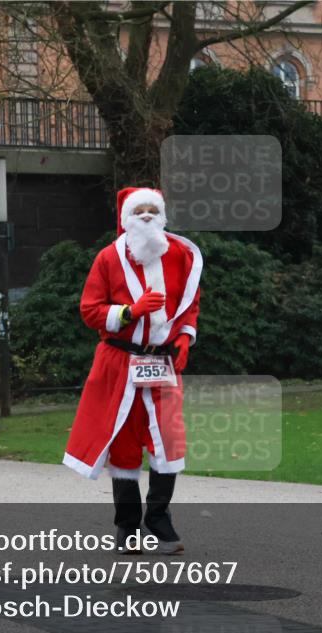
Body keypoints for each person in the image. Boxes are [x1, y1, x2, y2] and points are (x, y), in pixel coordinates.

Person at [63, 187, 202, 556]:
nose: (146, 215)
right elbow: (90, 310)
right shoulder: (108, 258)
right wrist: (129, 312)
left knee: (168, 441)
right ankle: (127, 525)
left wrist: (185, 336)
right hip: (120, 364)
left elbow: (190, 301)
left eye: (152, 209)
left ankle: (158, 518)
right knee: (123, 444)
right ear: (125, 218)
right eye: (138, 210)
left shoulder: (179, 255)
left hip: (162, 363)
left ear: (162, 215)